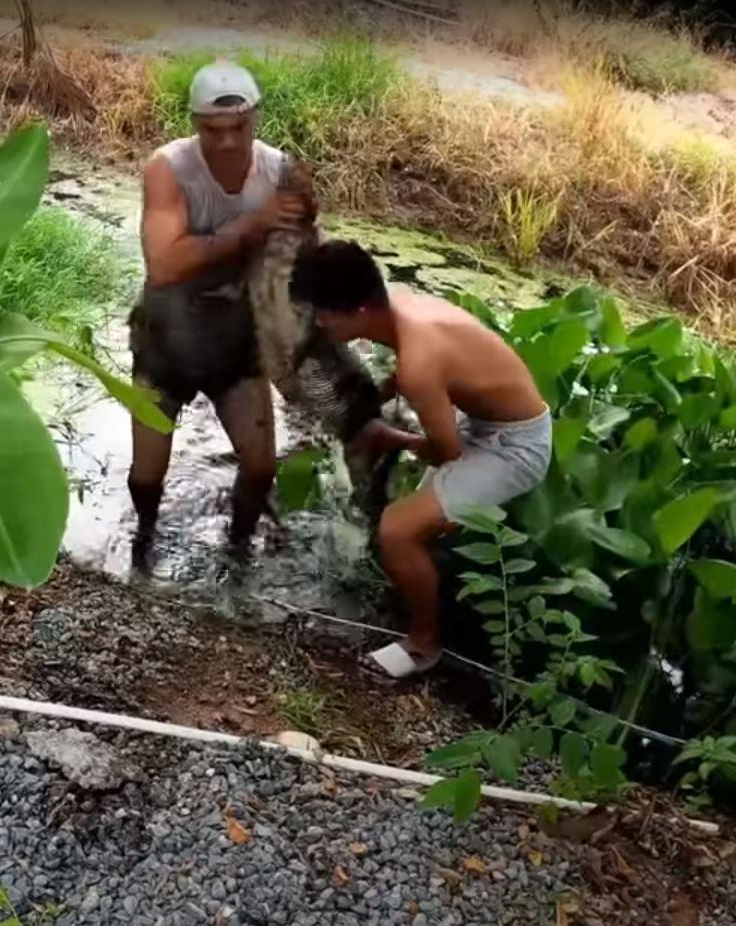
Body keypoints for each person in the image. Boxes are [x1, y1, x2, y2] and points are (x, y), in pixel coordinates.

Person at [290, 240, 553, 678]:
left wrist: (389, 438)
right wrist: (378, 398)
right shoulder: (399, 306)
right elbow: (417, 380)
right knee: (418, 521)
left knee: (397, 530)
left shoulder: (419, 360)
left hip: (517, 448)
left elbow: (448, 451)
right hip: (491, 422)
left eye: (324, 313)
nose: (317, 322)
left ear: (358, 313)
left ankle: (424, 645)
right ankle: (432, 587)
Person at [128, 59, 308, 570]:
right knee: (146, 476)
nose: (227, 142)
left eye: (239, 128)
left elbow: (294, 259)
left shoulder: (280, 171)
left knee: (259, 466)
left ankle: (238, 549)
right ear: (194, 124)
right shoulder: (170, 168)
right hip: (167, 335)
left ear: (256, 118)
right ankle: (142, 542)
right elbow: (164, 265)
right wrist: (252, 226)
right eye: (213, 130)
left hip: (235, 340)